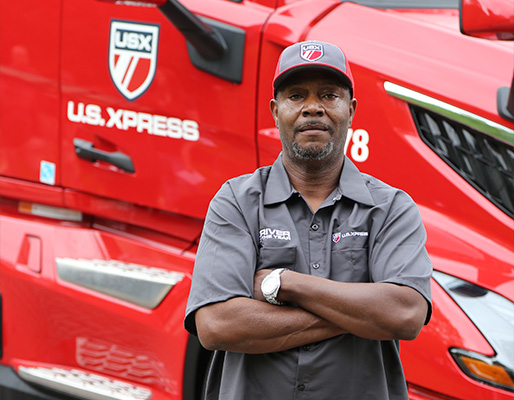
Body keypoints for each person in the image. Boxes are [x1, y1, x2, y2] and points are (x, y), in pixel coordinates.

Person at [184, 40, 432, 400]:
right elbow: (217, 324)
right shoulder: (236, 201)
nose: (313, 107)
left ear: (351, 109)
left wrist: (284, 284)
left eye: (329, 95)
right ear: (276, 111)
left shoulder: (391, 208)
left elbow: (405, 314)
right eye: (296, 96)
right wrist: (359, 315)